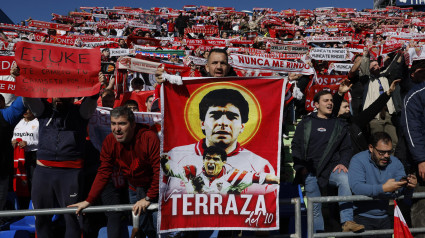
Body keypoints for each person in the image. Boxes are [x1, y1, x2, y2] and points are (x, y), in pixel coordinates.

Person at [69, 107, 160, 238]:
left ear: (133, 124)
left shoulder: (148, 137)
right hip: (134, 188)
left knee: (159, 227)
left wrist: (149, 197)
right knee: (143, 227)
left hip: (156, 189)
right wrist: (89, 200)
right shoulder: (109, 141)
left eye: (122, 124)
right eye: (113, 123)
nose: (117, 129)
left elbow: (160, 171)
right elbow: (103, 172)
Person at [165, 88, 276, 195]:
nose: (223, 123)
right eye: (215, 115)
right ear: (202, 123)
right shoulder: (176, 157)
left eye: (232, 117)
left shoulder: (260, 166)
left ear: (242, 126)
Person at [292, 90, 364, 233]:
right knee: (315, 208)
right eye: (326, 100)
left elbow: (347, 148)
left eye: (331, 100)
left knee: (344, 178)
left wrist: (343, 162)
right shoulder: (305, 123)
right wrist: (302, 168)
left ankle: (347, 221)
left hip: (332, 168)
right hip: (310, 170)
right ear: (316, 104)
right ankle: (317, 234)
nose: (330, 103)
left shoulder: (339, 124)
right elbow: (295, 147)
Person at [348, 132, 417, 237]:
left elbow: (400, 190)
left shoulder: (395, 162)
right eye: (382, 152)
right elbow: (356, 187)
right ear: (371, 148)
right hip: (361, 217)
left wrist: (408, 186)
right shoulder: (358, 160)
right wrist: (383, 188)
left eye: (389, 152)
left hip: (385, 216)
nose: (386, 156)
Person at [162, 146, 279, 194]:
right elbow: (170, 169)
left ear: (223, 162)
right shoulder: (191, 172)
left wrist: (278, 179)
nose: (211, 162)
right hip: (193, 220)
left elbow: (264, 177)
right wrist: (163, 161)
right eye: (208, 158)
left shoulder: (234, 176)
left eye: (216, 159)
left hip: (221, 221)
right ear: (203, 160)